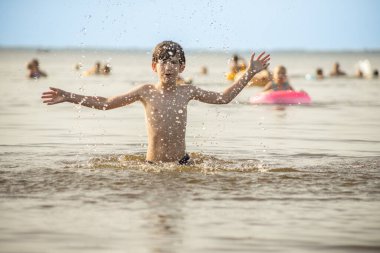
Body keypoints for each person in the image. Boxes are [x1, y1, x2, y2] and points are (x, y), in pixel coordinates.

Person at [41, 41, 270, 164]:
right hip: (151, 166)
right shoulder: (146, 92)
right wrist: (68, 96)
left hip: (182, 164)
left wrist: (249, 73)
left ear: (182, 67)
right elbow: (106, 103)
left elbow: (224, 98)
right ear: (154, 66)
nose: (168, 67)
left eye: (174, 63)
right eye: (163, 62)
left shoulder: (187, 91)